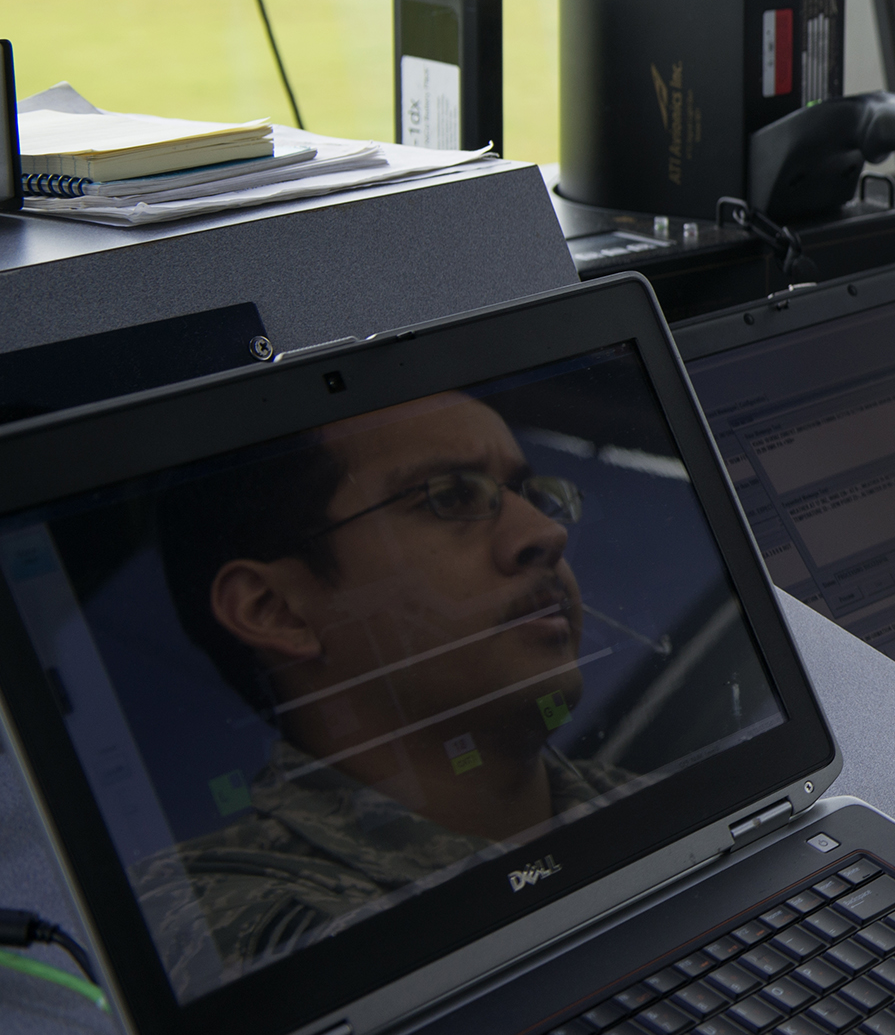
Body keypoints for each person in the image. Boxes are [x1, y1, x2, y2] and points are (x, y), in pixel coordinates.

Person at [136, 391, 617, 985]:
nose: (545, 532)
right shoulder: (205, 910)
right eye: (449, 496)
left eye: (533, 495)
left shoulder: (663, 801)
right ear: (276, 610)